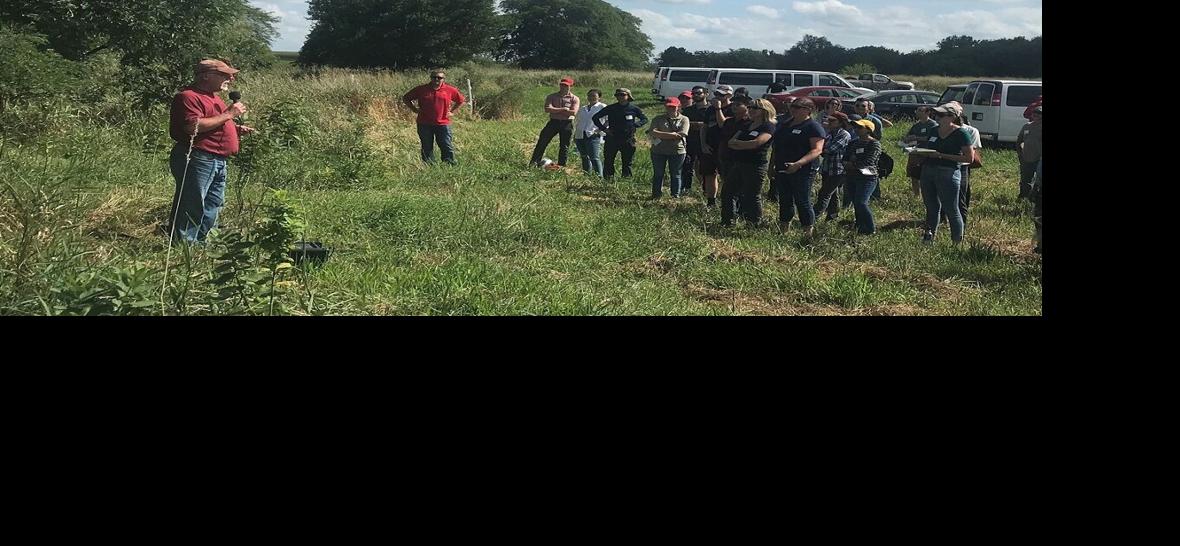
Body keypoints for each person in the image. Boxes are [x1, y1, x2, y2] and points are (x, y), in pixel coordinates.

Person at [168, 59, 255, 243]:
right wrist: (229, 114)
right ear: (206, 76)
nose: (230, 79)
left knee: (213, 203)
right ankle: (184, 245)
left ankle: (203, 243)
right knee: (192, 203)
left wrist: (234, 129)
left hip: (216, 159)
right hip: (198, 158)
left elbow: (214, 122)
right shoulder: (188, 97)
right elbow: (193, 127)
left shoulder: (213, 97)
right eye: (224, 75)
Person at [918, 103, 974, 245]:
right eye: (936, 114)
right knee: (931, 207)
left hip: (948, 173)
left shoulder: (961, 133)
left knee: (951, 209)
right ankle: (928, 240)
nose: (937, 117)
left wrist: (942, 155)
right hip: (928, 170)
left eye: (941, 115)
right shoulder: (933, 130)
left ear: (952, 117)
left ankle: (957, 243)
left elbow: (969, 158)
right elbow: (929, 148)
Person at [771, 98, 826, 237]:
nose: (793, 109)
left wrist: (798, 163)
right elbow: (776, 147)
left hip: (803, 169)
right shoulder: (785, 124)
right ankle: (784, 229)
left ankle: (807, 232)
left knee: (802, 200)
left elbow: (817, 149)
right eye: (792, 106)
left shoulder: (813, 126)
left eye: (797, 107)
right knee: (785, 199)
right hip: (782, 166)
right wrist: (771, 165)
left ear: (808, 110)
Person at [720, 98, 775, 227]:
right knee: (727, 192)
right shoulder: (747, 125)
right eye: (749, 107)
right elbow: (731, 142)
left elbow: (757, 143)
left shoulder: (768, 126)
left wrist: (739, 144)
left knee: (752, 195)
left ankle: (754, 223)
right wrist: (744, 145)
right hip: (739, 163)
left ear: (764, 110)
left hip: (755, 165)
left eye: (755, 108)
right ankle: (728, 221)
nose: (751, 110)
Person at [402, 69, 466, 165]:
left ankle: (449, 163)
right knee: (426, 146)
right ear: (430, 78)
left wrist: (452, 112)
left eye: (439, 78)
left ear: (443, 79)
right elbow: (406, 98)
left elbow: (460, 100)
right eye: (434, 77)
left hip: (443, 123)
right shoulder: (421, 89)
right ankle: (429, 165)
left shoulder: (450, 90)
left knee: (446, 144)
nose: (436, 79)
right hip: (424, 123)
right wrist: (414, 109)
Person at [592, 88, 648, 178]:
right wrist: (604, 129)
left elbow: (644, 119)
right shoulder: (611, 108)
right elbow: (595, 118)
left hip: (628, 138)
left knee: (627, 162)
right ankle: (608, 179)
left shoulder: (634, 108)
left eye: (622, 95)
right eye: (617, 95)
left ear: (628, 96)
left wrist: (636, 124)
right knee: (609, 161)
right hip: (612, 137)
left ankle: (626, 180)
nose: (620, 97)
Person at [529, 77, 580, 168]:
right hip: (553, 122)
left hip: (566, 123)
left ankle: (561, 166)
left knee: (564, 145)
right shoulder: (552, 96)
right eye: (562, 85)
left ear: (570, 86)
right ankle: (534, 163)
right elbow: (547, 109)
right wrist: (563, 109)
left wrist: (555, 110)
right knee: (542, 142)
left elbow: (573, 112)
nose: (563, 87)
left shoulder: (574, 98)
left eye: (566, 85)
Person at [698, 85, 736, 207]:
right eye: (716, 94)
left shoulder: (733, 109)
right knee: (709, 174)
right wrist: (703, 144)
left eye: (721, 95)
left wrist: (718, 109)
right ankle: (711, 202)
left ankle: (728, 200)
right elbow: (704, 127)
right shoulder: (710, 109)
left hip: (725, 148)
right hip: (710, 146)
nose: (718, 97)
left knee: (726, 176)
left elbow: (722, 125)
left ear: (729, 96)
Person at [646, 97, 690, 198]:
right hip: (658, 151)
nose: (671, 108)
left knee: (676, 174)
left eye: (673, 106)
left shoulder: (684, 119)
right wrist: (673, 135)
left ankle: (675, 195)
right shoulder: (657, 119)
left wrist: (661, 134)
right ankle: (656, 195)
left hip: (677, 151)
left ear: (678, 106)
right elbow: (652, 132)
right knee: (658, 174)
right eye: (669, 106)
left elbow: (682, 134)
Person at [844, 119, 882, 235]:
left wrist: (853, 163)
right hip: (851, 176)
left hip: (868, 177)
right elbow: (845, 158)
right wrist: (851, 163)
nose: (856, 129)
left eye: (860, 127)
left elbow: (869, 161)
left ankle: (870, 228)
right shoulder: (853, 143)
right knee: (856, 202)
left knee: (861, 202)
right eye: (855, 127)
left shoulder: (874, 143)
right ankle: (859, 225)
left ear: (868, 130)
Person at [813, 111, 852, 222]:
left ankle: (813, 217)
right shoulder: (830, 134)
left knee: (824, 193)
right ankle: (832, 217)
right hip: (827, 168)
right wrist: (822, 149)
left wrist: (821, 149)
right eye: (828, 120)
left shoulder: (844, 134)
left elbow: (831, 149)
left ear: (840, 123)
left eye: (832, 120)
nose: (828, 122)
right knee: (832, 194)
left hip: (838, 170)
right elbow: (823, 149)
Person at [681, 86, 711, 195]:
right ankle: (686, 188)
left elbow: (712, 125)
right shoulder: (688, 110)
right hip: (689, 141)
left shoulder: (711, 109)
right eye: (693, 94)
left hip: (706, 142)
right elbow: (682, 124)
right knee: (687, 165)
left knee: (705, 167)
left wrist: (696, 125)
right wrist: (700, 124)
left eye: (698, 93)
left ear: (706, 94)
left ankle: (706, 189)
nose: (695, 95)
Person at [903, 105, 937, 196]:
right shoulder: (916, 125)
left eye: (920, 110)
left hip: (926, 153)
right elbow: (909, 136)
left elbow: (931, 138)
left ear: (928, 112)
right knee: (914, 175)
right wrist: (907, 139)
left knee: (925, 176)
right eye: (917, 110)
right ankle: (916, 195)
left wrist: (917, 137)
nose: (917, 112)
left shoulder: (933, 125)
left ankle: (927, 194)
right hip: (914, 152)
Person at [573, 88, 607, 176]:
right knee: (584, 157)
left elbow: (608, 120)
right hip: (580, 134)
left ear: (599, 97)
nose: (591, 97)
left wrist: (600, 130)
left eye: (594, 96)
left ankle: (599, 177)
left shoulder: (602, 107)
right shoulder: (583, 108)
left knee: (594, 158)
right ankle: (587, 175)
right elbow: (579, 121)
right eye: (589, 95)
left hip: (593, 135)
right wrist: (575, 134)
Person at [1016, 105, 1042, 200]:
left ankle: (1035, 198)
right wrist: (1020, 154)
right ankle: (1023, 197)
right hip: (1026, 157)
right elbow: (1019, 140)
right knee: (1025, 179)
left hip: (1039, 159)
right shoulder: (1026, 126)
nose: (1036, 115)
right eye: (1035, 113)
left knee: (1039, 180)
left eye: (1039, 114)